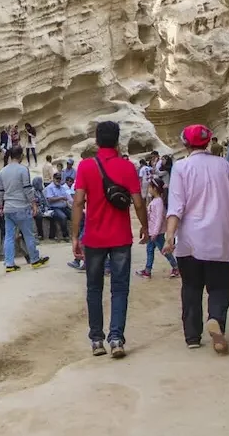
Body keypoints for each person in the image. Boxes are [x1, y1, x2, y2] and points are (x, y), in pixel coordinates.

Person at [163, 125, 229, 354]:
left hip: (191, 239)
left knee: (191, 287)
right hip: (221, 236)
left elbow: (176, 206)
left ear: (185, 144)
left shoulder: (181, 167)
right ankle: (216, 320)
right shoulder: (223, 165)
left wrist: (170, 236)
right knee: (219, 286)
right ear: (209, 142)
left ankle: (192, 336)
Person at [71, 121, 146, 358]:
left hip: (94, 237)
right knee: (120, 288)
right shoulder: (127, 167)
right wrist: (145, 226)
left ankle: (96, 340)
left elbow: (78, 202)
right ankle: (116, 338)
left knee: (94, 288)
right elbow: (138, 202)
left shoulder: (85, 166)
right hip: (121, 236)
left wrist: (75, 236)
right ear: (117, 141)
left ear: (96, 141)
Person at [0, 146, 50, 272]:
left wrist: (1, 205)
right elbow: (27, 189)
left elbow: (0, 191)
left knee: (9, 236)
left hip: (8, 208)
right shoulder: (23, 169)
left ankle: (9, 263)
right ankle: (34, 259)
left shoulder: (2, 171)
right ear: (21, 155)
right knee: (28, 234)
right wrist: (33, 204)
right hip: (21, 207)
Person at [136, 177, 178, 278]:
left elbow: (159, 219)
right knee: (149, 250)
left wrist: (155, 232)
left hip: (157, 233)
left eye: (150, 187)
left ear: (155, 188)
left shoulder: (158, 202)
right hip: (152, 232)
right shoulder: (155, 201)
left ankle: (176, 267)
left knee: (164, 251)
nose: (149, 189)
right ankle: (147, 270)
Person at [43, 173, 72, 240]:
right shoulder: (50, 187)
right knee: (63, 217)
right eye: (57, 178)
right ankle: (65, 236)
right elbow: (50, 199)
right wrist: (60, 198)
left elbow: (68, 197)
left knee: (74, 216)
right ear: (53, 179)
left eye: (59, 178)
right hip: (55, 207)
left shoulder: (62, 187)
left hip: (64, 207)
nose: (58, 180)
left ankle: (77, 234)